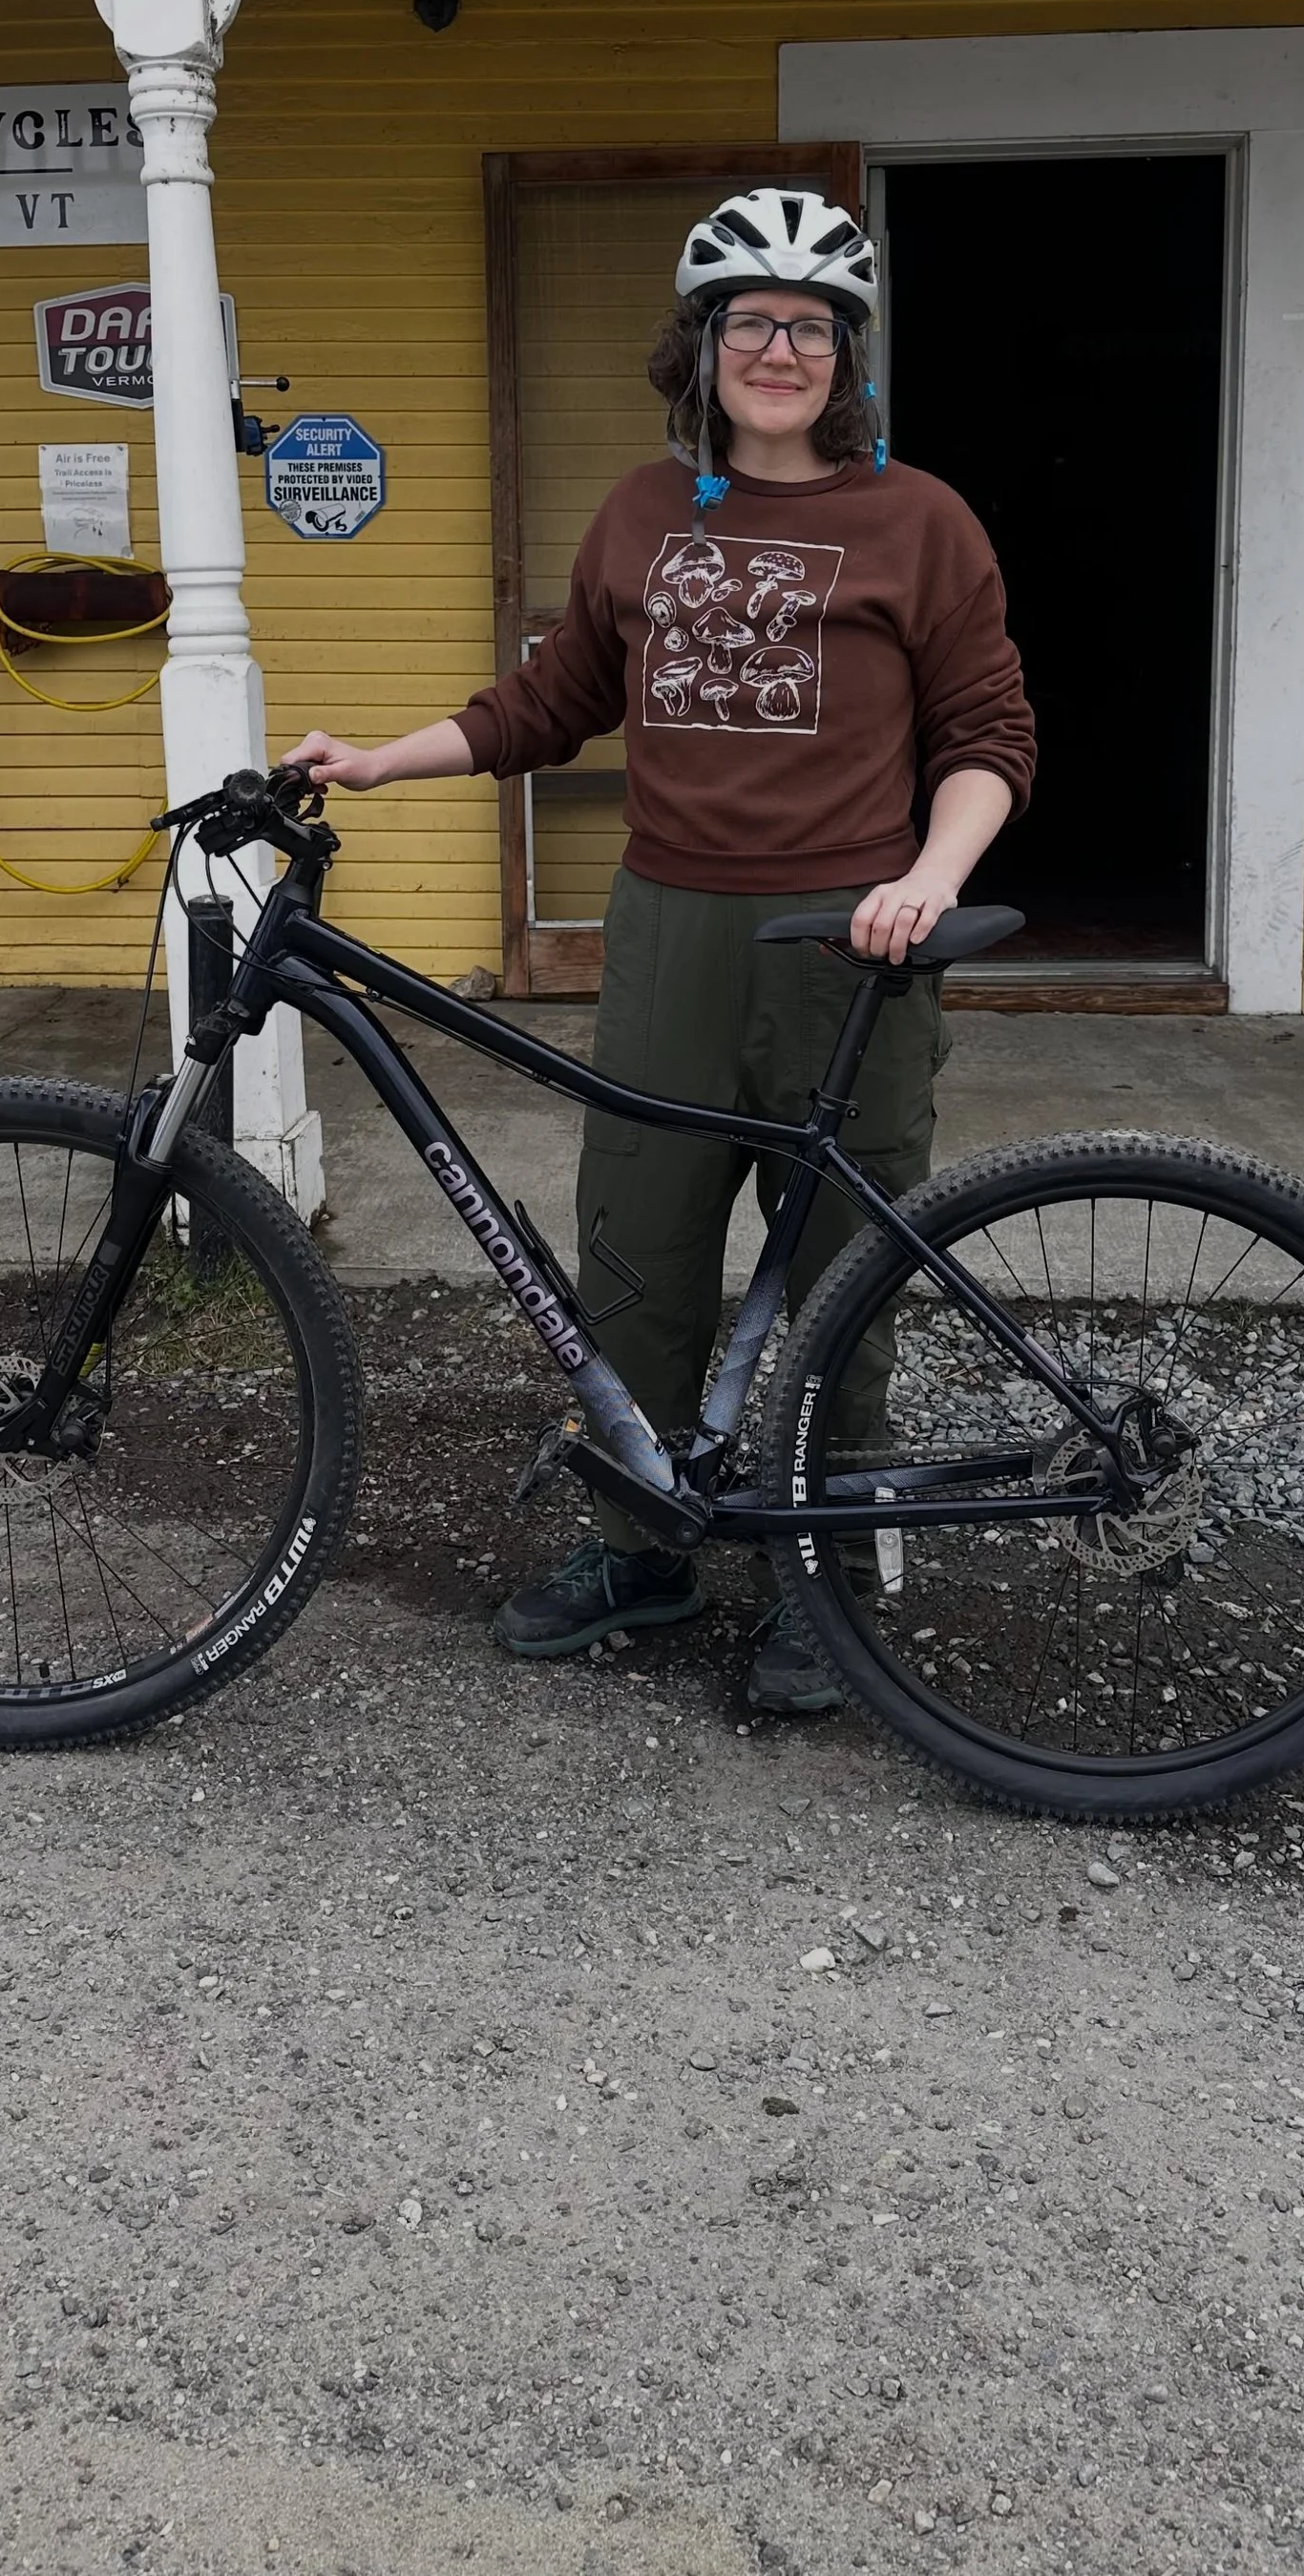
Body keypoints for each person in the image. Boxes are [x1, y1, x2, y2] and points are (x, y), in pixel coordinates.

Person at [284, 188, 1035, 1712]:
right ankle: (643, 1543)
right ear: (702, 347)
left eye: (812, 327)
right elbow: (552, 699)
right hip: (670, 930)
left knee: (843, 1265)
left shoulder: (921, 521)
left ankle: (829, 1577)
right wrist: (377, 761)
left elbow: (988, 735)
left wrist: (928, 877)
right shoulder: (640, 512)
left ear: (847, 357)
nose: (781, 350)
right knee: (637, 1251)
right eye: (752, 322)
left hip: (850, 940)